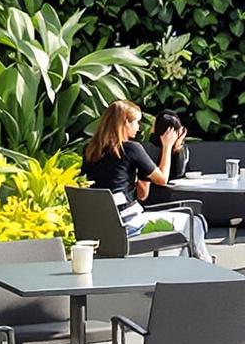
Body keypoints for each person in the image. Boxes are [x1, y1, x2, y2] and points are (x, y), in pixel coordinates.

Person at [79, 100, 208, 258]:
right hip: (129, 225)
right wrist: (167, 146)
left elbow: (142, 195)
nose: (139, 127)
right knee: (194, 221)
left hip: (99, 227)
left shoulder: (90, 150)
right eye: (136, 122)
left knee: (187, 227)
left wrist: (142, 174)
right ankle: (203, 267)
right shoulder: (132, 148)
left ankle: (185, 269)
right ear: (125, 122)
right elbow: (162, 179)